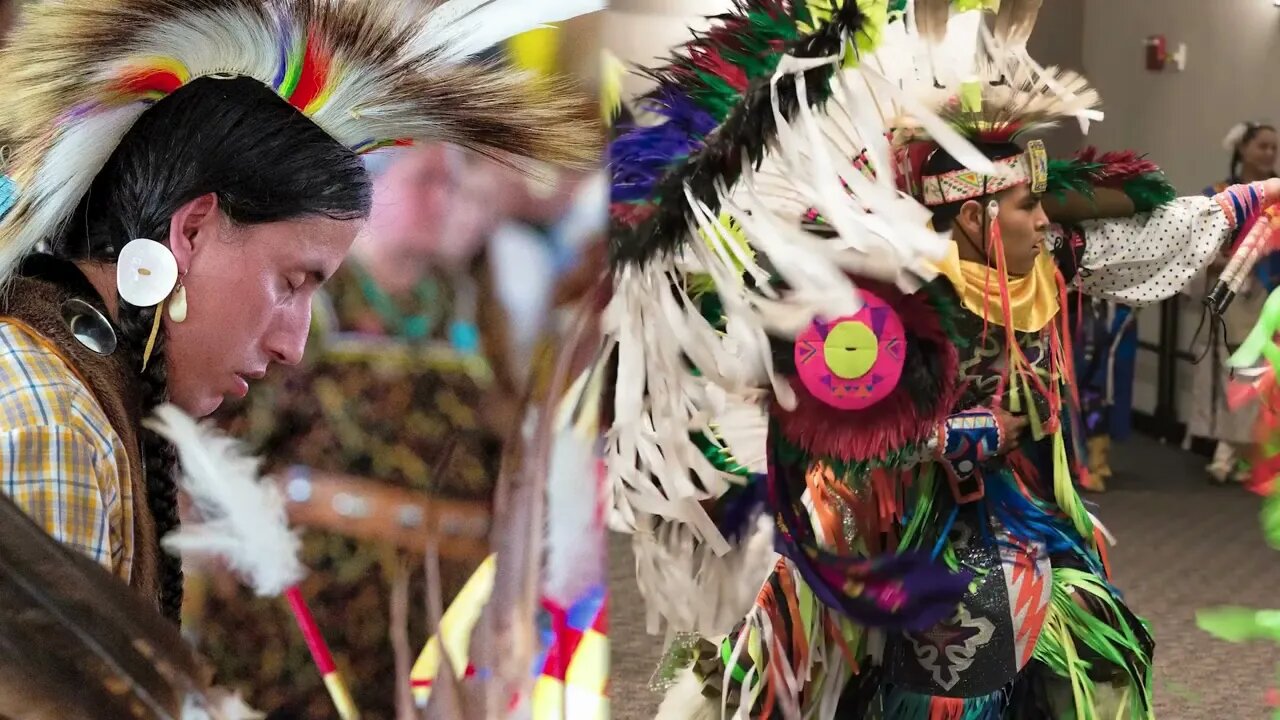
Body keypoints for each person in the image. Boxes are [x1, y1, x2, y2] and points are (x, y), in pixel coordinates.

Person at [601, 2, 1280, 717]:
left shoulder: (1046, 263)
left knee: (1098, 670)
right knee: (785, 687)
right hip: (876, 529)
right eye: (1028, 207)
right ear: (973, 214)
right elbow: (838, 433)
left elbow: (1150, 235)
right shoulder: (882, 302)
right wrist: (971, 433)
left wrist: (1252, 200)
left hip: (1011, 517)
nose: (1047, 222)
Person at [0, 0, 596, 632]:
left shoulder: (76, 406)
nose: (294, 343)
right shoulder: (49, 418)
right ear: (194, 230)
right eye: (292, 283)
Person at [186, 144, 524, 720]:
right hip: (309, 603)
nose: (447, 200)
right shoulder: (308, 295)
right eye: (428, 182)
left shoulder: (467, 300)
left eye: (455, 185)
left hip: (436, 602)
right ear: (372, 188)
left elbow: (506, 428)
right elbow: (222, 434)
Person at [1186, 121, 1279, 484]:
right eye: (1263, 147)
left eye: (1274, 148)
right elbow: (1195, 242)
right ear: (1242, 149)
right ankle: (1230, 451)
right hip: (1229, 296)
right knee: (1229, 373)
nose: (1270, 154)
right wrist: (1214, 262)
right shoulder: (1221, 194)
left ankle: (1240, 454)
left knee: (1258, 375)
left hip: (1267, 296)